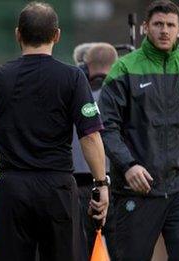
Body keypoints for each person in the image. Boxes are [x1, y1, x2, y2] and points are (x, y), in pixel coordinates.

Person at [0, 2, 108, 261]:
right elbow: (91, 136)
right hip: (57, 188)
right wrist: (101, 183)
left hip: (14, 190)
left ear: (18, 34)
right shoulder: (73, 78)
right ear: (57, 35)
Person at [98, 1, 179, 260]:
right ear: (144, 28)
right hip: (137, 190)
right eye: (158, 24)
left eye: (170, 25)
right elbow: (106, 127)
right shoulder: (124, 68)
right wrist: (128, 165)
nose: (164, 30)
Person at [71, 43, 117, 256]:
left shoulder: (71, 94)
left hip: (77, 185)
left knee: (81, 249)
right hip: (114, 184)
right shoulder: (119, 94)